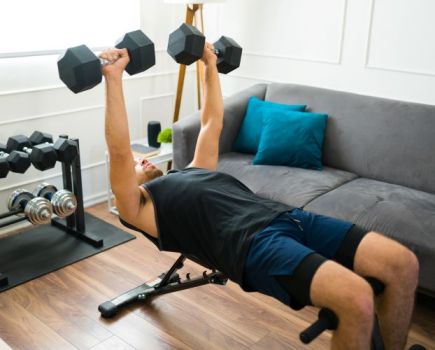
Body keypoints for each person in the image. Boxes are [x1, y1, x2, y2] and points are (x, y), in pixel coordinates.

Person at [101, 44, 419, 350]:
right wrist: (113, 79)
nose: (137, 160)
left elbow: (213, 122)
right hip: (252, 244)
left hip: (288, 216)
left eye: (138, 157)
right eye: (133, 165)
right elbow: (118, 150)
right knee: (356, 298)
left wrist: (209, 67)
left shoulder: (193, 170)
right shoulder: (138, 206)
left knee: (402, 264)